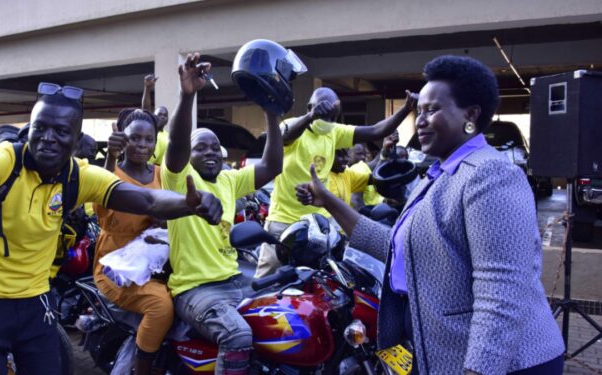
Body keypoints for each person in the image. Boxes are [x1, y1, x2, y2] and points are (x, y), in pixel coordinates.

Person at [0, 82, 223, 374]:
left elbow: (147, 199)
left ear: (75, 139)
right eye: (40, 128)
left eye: (60, 131)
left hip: (34, 300)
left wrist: (188, 204)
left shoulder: (79, 175)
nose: (48, 137)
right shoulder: (3, 161)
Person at [296, 55, 564, 374]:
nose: (420, 120)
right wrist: (327, 200)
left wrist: (479, 370)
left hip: (508, 364)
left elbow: (502, 291)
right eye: (419, 110)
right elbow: (399, 248)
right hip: (443, 356)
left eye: (432, 110)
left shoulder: (490, 174)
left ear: (471, 115)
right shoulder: (440, 175)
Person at [163, 53, 282, 375]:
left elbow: (272, 167)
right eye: (200, 147)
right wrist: (188, 95)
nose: (210, 152)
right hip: (195, 289)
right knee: (238, 335)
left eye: (215, 147)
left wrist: (272, 115)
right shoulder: (180, 177)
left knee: (284, 321)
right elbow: (175, 144)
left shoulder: (230, 179)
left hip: (234, 280)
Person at [255, 87, 415, 278]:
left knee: (322, 282)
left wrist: (406, 109)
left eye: (333, 117)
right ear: (309, 107)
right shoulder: (292, 126)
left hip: (319, 225)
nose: (328, 122)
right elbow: (283, 137)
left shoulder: (334, 132)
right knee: (266, 280)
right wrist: (310, 117)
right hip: (283, 221)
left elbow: (376, 130)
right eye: (323, 115)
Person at [94, 108, 170, 374]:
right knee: (160, 307)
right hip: (118, 267)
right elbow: (103, 194)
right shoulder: (111, 173)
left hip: (161, 260)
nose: (142, 145)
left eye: (149, 139)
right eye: (135, 138)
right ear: (122, 139)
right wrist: (111, 157)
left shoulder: (163, 173)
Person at [141, 74, 170, 165]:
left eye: (165, 115)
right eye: (159, 114)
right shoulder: (150, 129)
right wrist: (147, 88)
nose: (162, 116)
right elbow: (146, 111)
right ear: (153, 116)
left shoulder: (168, 136)